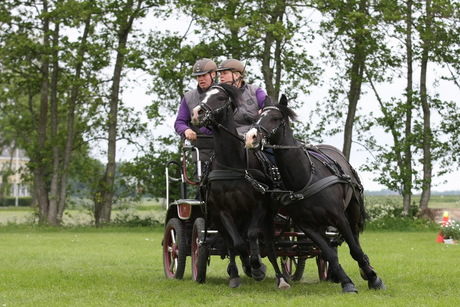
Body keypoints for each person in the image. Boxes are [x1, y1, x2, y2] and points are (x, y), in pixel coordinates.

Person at [174, 58, 217, 181]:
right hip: (201, 152)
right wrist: (186, 130)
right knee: (202, 187)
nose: (201, 79)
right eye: (198, 76)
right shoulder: (189, 97)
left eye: (204, 75)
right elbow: (179, 122)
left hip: (224, 150)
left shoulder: (224, 94)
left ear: (213, 74)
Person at [216, 59, 268, 136]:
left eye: (225, 73)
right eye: (220, 74)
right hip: (234, 137)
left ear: (237, 75)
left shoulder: (255, 90)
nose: (221, 76)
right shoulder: (218, 96)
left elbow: (268, 106)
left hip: (257, 134)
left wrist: (264, 111)